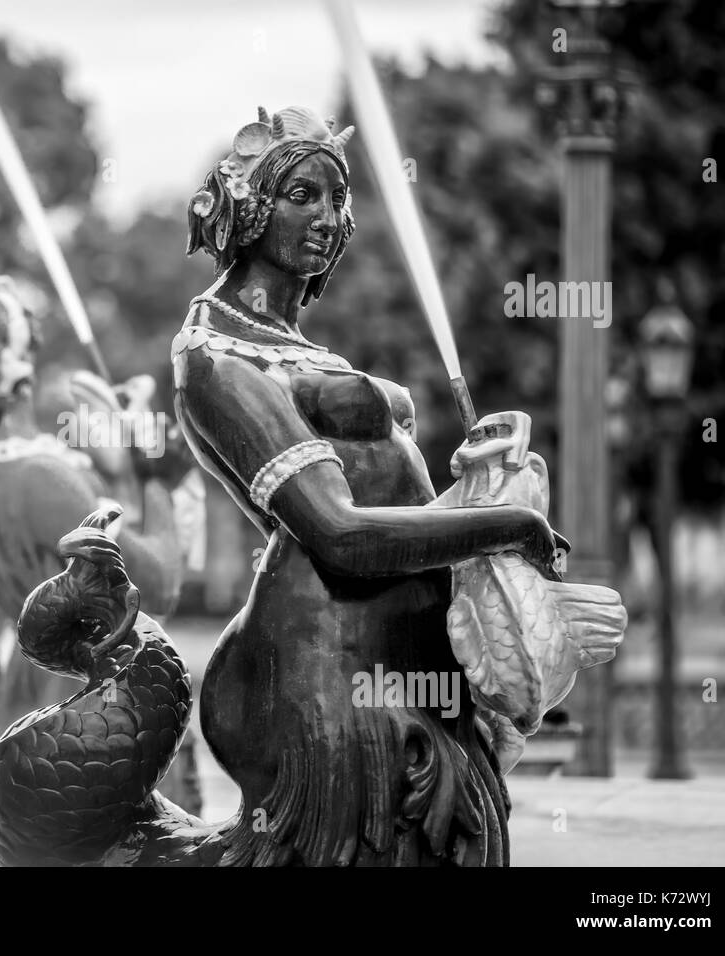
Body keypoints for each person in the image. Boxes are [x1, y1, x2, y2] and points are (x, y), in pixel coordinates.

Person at [172, 106, 566, 866]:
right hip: (332, 672)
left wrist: (476, 486)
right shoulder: (217, 358)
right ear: (248, 208)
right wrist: (507, 524)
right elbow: (341, 535)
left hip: (398, 662)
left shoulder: (289, 346)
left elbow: (380, 507)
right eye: (301, 195)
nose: (327, 216)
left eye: (336, 198)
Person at [0, 269, 202, 827]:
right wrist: (156, 476)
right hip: (101, 710)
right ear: (16, 364)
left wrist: (115, 469)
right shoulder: (41, 476)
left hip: (22, 704)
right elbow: (158, 587)